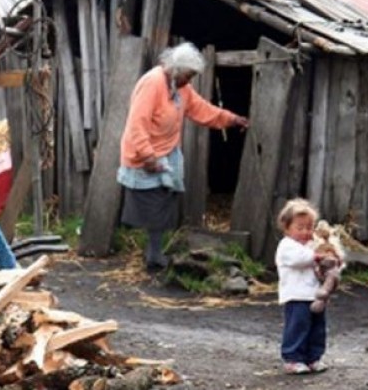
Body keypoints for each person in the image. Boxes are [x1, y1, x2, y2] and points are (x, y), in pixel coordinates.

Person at [118, 42, 249, 271]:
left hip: (167, 152)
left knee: (165, 201)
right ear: (176, 69)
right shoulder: (152, 83)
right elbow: (137, 124)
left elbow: (202, 109)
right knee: (153, 204)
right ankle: (152, 253)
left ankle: (154, 252)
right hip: (145, 153)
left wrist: (231, 119)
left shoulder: (180, 88)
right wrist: (148, 156)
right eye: (188, 75)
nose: (190, 80)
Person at [275, 198, 329, 375]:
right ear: (287, 227)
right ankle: (293, 358)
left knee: (317, 327)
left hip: (314, 295)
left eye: (309, 227)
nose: (306, 232)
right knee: (298, 326)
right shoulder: (287, 246)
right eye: (300, 228)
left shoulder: (311, 246)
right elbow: (299, 259)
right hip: (296, 295)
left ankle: (313, 357)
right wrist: (316, 256)